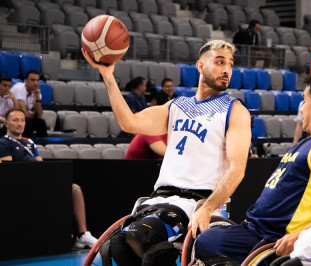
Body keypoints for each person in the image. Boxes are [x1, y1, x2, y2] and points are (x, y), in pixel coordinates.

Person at [82, 39, 251, 265]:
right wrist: (108, 76)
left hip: (199, 202)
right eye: (220, 62)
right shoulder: (176, 106)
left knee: (141, 239)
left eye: (230, 64)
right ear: (200, 66)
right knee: (118, 246)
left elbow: (237, 170)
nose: (227, 70)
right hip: (160, 200)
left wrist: (208, 207)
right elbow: (129, 122)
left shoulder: (235, 110)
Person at [194, 72, 311, 264]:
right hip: (254, 230)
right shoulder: (309, 142)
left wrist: (305, 235)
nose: (301, 110)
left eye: (304, 100)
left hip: (273, 239)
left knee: (204, 241)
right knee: (202, 232)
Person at [0, 108, 97, 249]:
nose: (19, 123)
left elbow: (40, 164)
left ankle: (82, 234)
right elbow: (10, 170)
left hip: (38, 181)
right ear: (7, 123)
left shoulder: (30, 142)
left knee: (75, 188)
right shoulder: (3, 143)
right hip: (20, 184)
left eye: (22, 120)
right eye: (15, 120)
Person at [10, 70, 47, 137]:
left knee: (41, 122)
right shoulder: (19, 88)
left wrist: (38, 98)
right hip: (11, 118)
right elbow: (23, 114)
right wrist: (33, 115)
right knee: (26, 121)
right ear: (26, 81)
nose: (36, 83)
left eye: (37, 80)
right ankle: (26, 144)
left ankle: (43, 144)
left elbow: (39, 115)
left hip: (23, 120)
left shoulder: (37, 92)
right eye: (33, 80)